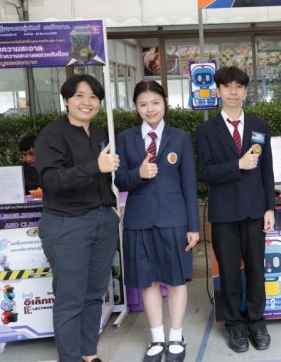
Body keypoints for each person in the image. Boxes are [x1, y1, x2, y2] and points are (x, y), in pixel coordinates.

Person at [35, 74, 120, 362]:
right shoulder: (52, 135)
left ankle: (88, 354)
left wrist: (110, 206)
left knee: (94, 293)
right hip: (67, 224)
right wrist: (95, 166)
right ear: (66, 100)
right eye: (79, 96)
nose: (87, 102)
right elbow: (52, 180)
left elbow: (104, 179)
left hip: (102, 221)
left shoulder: (98, 133)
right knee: (70, 298)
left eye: (93, 97)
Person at [114, 80, 199, 362]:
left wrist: (193, 226)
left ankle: (176, 336)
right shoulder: (125, 138)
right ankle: (157, 337)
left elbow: (189, 184)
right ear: (135, 107)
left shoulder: (180, 138)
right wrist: (138, 174)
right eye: (143, 104)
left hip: (174, 219)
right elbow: (119, 180)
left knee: (176, 280)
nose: (150, 109)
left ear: (165, 103)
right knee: (147, 281)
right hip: (138, 220)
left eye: (155, 103)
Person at [196, 66, 276, 353]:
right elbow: (205, 171)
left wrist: (270, 207)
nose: (233, 91)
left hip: (255, 211)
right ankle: (234, 325)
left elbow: (267, 170)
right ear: (218, 91)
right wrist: (237, 165)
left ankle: (256, 321)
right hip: (224, 213)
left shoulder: (259, 125)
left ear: (245, 91)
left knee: (256, 270)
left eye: (239, 86)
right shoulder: (206, 130)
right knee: (229, 272)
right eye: (227, 86)